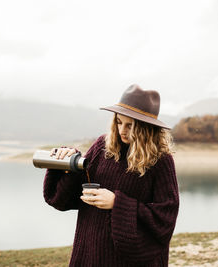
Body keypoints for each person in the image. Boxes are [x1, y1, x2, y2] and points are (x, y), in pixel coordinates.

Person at [43, 84, 179, 267]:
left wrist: (117, 203)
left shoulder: (160, 161)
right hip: (90, 253)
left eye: (130, 125)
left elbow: (165, 218)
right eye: (119, 122)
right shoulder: (102, 148)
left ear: (146, 127)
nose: (122, 130)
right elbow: (65, 198)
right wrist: (69, 163)